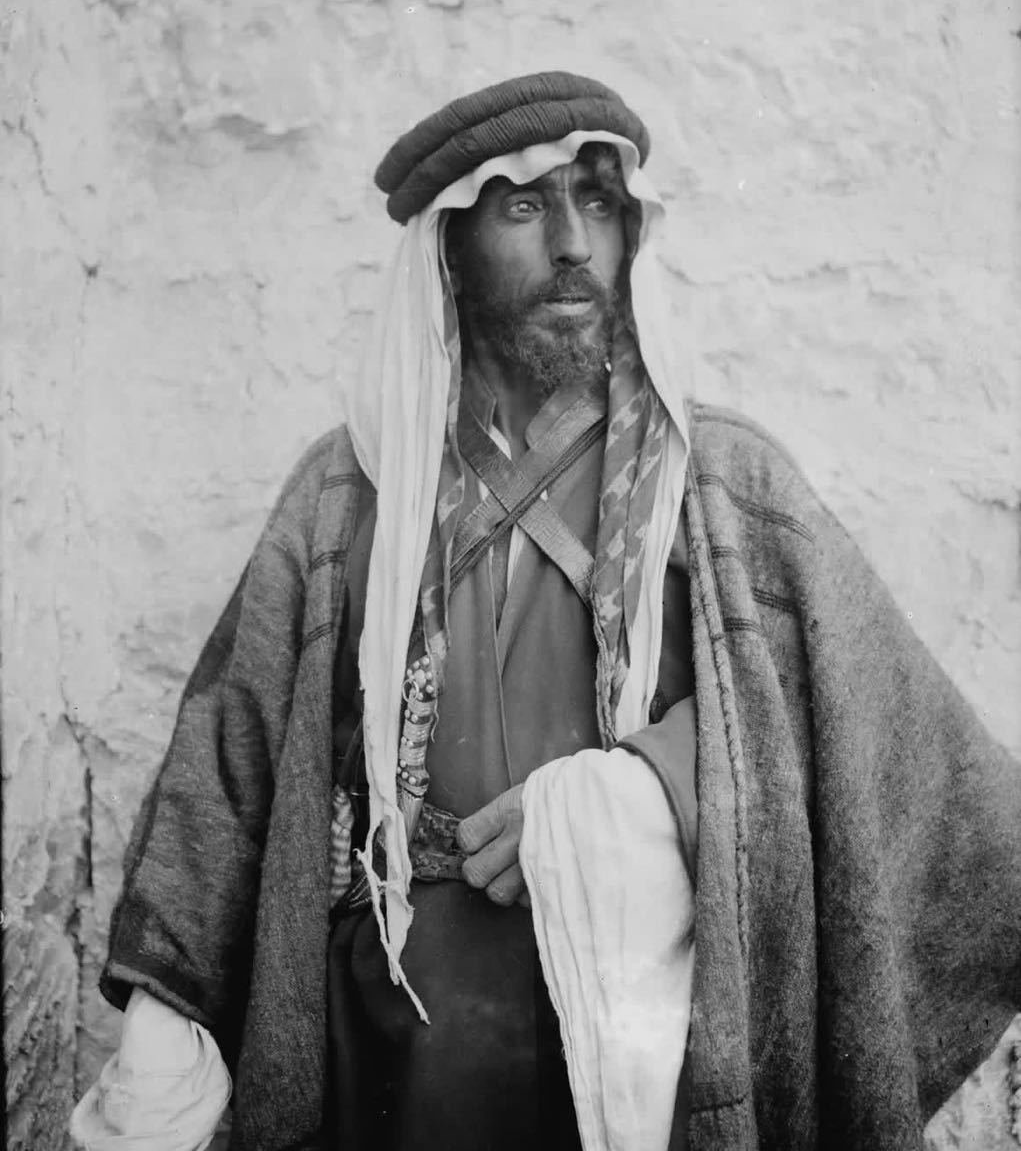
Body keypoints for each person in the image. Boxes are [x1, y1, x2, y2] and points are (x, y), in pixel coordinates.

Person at [71, 72, 1021, 1151]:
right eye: (525, 206)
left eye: (598, 203)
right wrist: (163, 1023)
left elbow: (871, 747)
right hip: (392, 1051)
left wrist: (639, 792)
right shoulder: (348, 489)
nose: (574, 243)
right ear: (450, 247)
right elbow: (228, 770)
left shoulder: (719, 482)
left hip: (637, 1052)